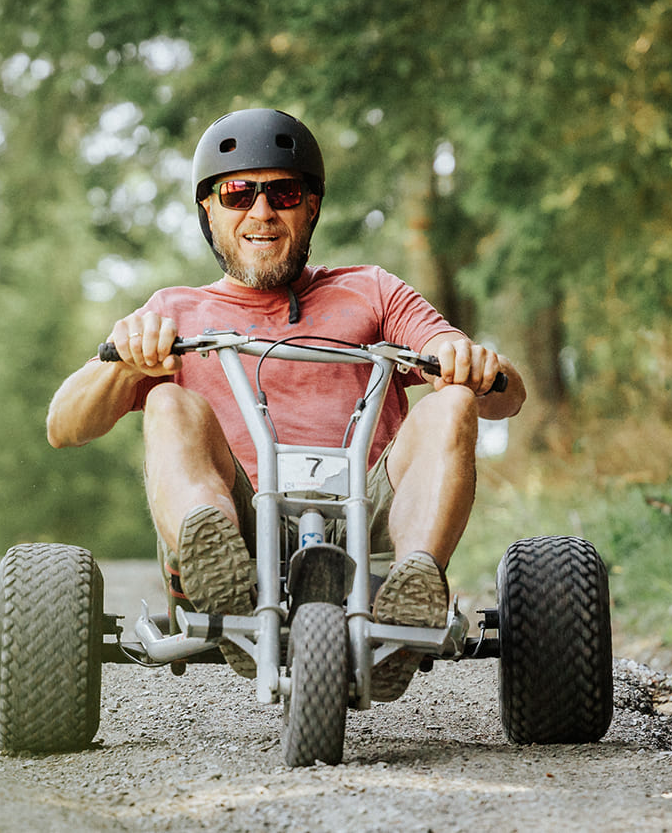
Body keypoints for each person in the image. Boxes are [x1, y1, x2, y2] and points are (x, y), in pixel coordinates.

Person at [46, 108, 526, 700]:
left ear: (312, 206)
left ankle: (411, 593)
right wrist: (123, 361)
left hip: (368, 519)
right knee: (171, 403)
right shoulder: (173, 311)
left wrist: (467, 362)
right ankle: (218, 570)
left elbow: (505, 398)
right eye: (239, 194)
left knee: (452, 404)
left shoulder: (372, 290)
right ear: (210, 212)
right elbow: (64, 426)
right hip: (240, 522)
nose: (262, 212)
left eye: (284, 193)